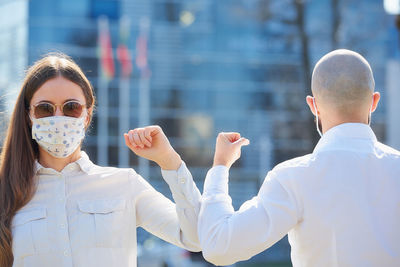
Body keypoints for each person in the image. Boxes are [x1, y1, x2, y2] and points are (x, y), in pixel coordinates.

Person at [198, 49, 400, 266]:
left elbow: (218, 247)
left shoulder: (292, 178)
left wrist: (220, 166)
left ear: (313, 106)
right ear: (374, 101)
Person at [0, 54, 201, 267]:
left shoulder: (124, 184)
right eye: (45, 109)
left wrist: (169, 160)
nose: (58, 117)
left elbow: (195, 237)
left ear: (86, 115)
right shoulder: (6, 189)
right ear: (29, 116)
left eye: (71, 107)